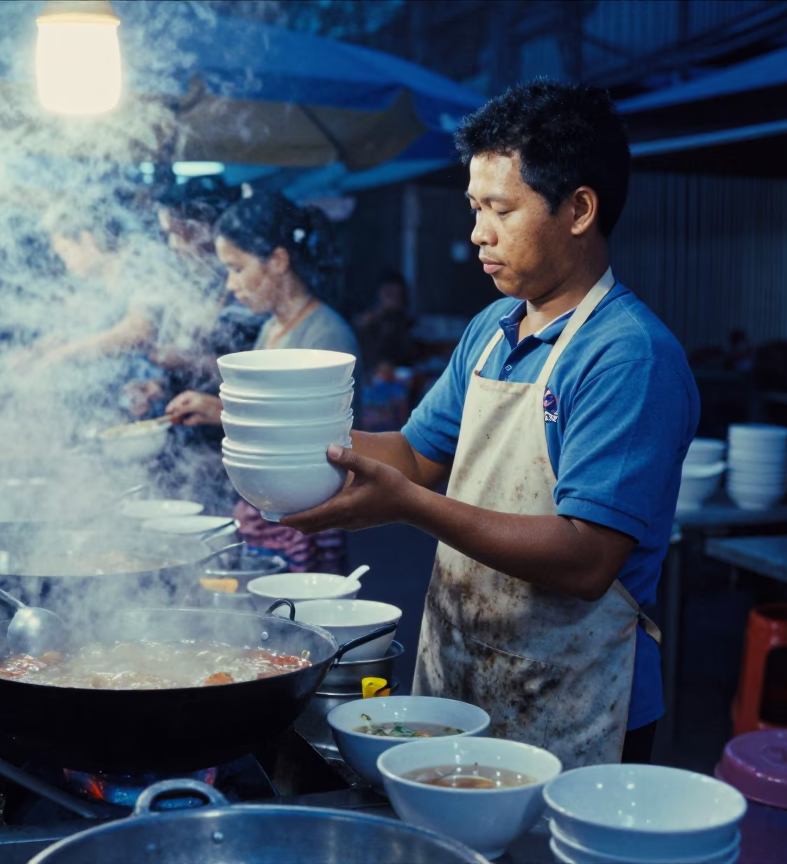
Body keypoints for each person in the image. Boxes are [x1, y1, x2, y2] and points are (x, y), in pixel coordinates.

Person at [285, 80, 699, 768]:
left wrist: (410, 508)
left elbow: (587, 557)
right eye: (475, 208)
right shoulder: (492, 329)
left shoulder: (629, 355)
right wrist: (288, 451)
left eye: (500, 209)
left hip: (573, 697)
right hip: (464, 673)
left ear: (579, 209)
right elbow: (416, 454)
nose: (478, 233)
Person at [166, 192, 361, 573]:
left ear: (278, 261)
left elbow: (316, 440)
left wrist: (218, 410)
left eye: (237, 268)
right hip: (268, 514)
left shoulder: (326, 337)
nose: (230, 286)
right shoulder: (272, 328)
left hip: (308, 522)